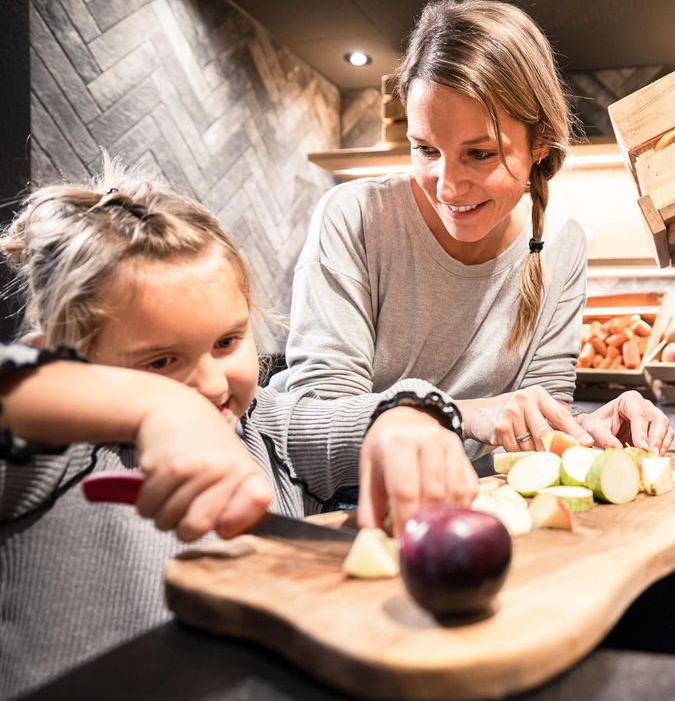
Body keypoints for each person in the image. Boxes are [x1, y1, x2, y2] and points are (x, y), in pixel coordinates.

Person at [0, 166, 475, 699]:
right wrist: (153, 407)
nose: (209, 381)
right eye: (160, 361)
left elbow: (379, 412)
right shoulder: (53, 451)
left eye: (227, 342)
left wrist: (408, 419)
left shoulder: (266, 423)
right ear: (59, 358)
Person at [274, 0, 674, 466]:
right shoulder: (355, 216)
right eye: (425, 149)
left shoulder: (562, 246)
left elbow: (534, 427)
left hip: (472, 500)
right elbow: (316, 439)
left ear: (540, 141)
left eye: (479, 154)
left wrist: (585, 431)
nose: (446, 187)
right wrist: (465, 415)